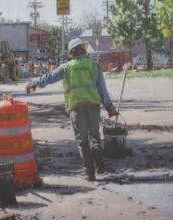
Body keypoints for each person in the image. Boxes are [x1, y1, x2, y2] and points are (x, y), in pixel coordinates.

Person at [26, 38, 119, 181]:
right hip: (93, 107)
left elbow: (49, 78)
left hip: (76, 108)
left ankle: (89, 173)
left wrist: (34, 83)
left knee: (82, 141)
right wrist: (110, 107)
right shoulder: (94, 66)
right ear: (84, 50)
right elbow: (102, 90)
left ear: (71, 53)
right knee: (94, 137)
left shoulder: (66, 67)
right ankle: (100, 166)